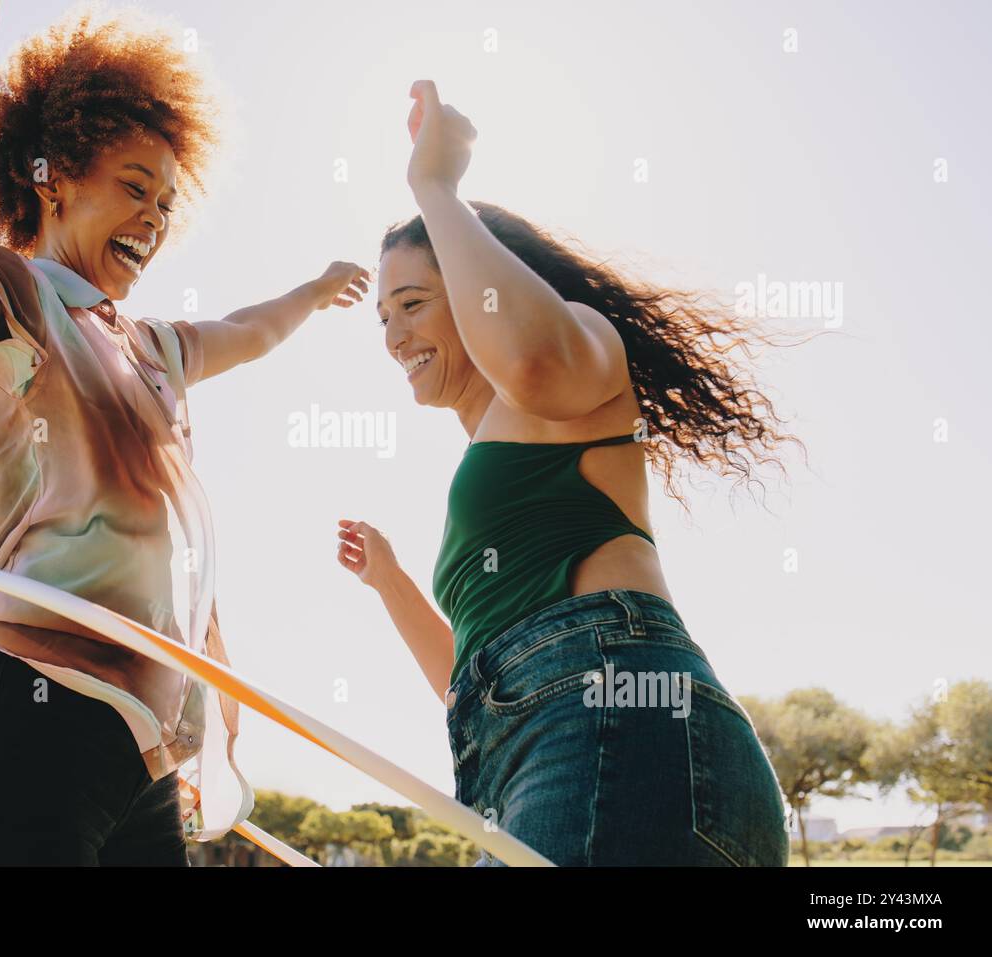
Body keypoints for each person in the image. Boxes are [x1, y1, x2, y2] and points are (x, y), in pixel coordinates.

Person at [0, 0, 368, 865]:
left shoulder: (151, 351)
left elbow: (247, 330)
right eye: (134, 186)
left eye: (167, 203)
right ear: (53, 178)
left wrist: (315, 288)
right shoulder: (17, 302)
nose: (153, 218)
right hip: (27, 705)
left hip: (142, 759)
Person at [336, 80, 798, 866]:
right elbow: (477, 685)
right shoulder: (496, 455)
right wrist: (392, 583)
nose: (392, 334)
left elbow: (531, 356)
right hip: (542, 753)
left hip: (612, 728)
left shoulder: (580, 358)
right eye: (382, 316)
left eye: (412, 302)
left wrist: (434, 187)